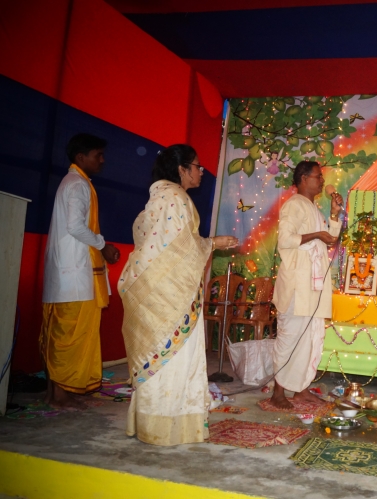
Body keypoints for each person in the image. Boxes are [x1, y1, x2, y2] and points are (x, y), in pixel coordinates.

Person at [118, 144, 238, 445]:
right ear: (181, 169)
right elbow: (183, 248)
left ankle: (148, 423)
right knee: (175, 357)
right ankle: (167, 428)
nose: (201, 172)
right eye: (197, 166)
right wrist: (213, 243)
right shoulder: (176, 197)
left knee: (156, 356)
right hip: (172, 295)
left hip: (152, 289)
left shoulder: (158, 196)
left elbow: (150, 240)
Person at [40, 133, 120, 410]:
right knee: (70, 337)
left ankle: (56, 392)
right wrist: (103, 245)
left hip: (67, 273)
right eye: (98, 155)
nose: (102, 160)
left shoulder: (74, 182)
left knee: (62, 335)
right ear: (80, 157)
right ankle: (59, 395)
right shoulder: (77, 184)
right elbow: (75, 226)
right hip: (73, 275)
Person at [271, 161, 343, 409]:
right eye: (318, 176)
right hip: (296, 284)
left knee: (308, 339)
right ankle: (278, 393)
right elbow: (285, 239)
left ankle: (300, 390)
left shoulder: (312, 208)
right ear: (303, 178)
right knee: (290, 337)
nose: (322, 181)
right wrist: (316, 235)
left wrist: (334, 215)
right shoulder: (294, 205)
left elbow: (329, 240)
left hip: (311, 285)